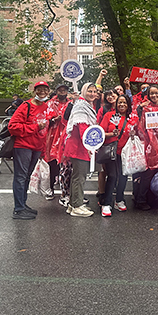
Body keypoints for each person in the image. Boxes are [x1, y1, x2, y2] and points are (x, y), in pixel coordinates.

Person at [8, 81, 50, 220]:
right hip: (23, 146)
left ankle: (22, 204)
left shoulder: (45, 107)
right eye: (39, 89)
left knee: (26, 176)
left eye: (45, 90)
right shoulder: (26, 106)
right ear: (34, 91)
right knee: (20, 177)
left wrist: (42, 150)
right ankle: (18, 209)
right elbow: (13, 126)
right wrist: (35, 127)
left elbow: (45, 130)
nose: (42, 92)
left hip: (36, 147)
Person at [63, 83, 99, 217]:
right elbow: (83, 127)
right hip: (79, 146)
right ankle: (77, 206)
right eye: (90, 91)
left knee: (76, 176)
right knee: (79, 177)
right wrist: (89, 146)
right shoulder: (81, 105)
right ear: (84, 91)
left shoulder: (85, 105)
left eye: (95, 91)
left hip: (80, 146)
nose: (93, 94)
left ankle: (73, 204)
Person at [99, 94, 138, 216]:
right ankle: (106, 203)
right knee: (112, 176)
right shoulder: (109, 116)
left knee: (123, 176)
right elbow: (100, 132)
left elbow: (138, 134)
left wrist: (134, 134)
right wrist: (111, 134)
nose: (122, 105)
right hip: (111, 152)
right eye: (119, 102)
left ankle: (119, 199)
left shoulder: (132, 118)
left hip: (125, 153)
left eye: (124, 102)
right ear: (116, 104)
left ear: (128, 105)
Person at [44, 84, 71, 201]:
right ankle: (50, 189)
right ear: (56, 91)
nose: (62, 92)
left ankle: (67, 191)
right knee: (52, 164)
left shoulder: (71, 103)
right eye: (60, 90)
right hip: (53, 137)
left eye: (64, 90)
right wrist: (54, 120)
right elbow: (44, 119)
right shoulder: (50, 104)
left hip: (66, 136)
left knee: (67, 165)